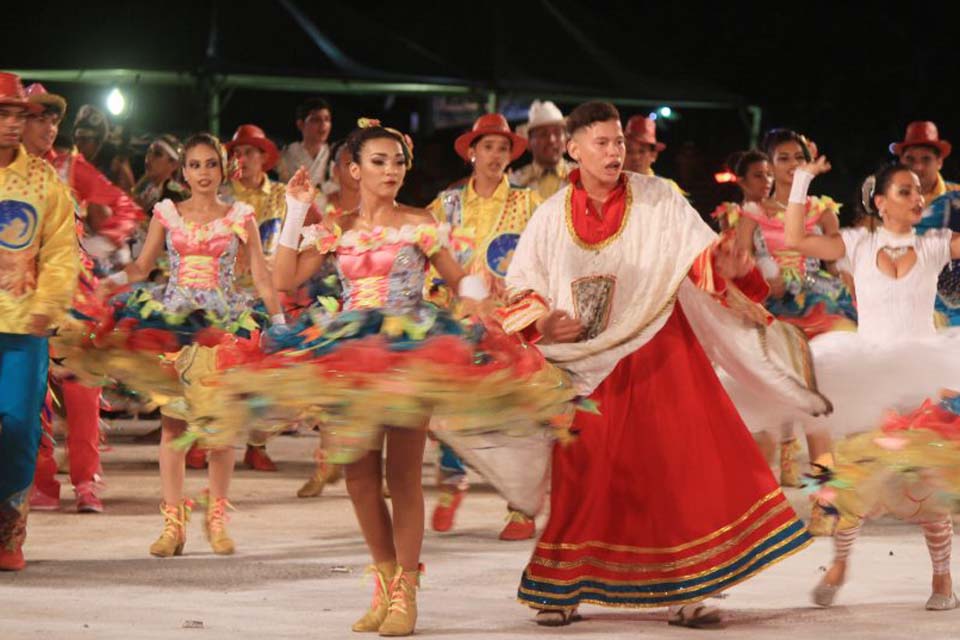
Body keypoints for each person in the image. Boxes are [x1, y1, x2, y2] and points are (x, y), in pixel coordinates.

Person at [234, 120, 573, 636]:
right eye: (378, 161)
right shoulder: (337, 228)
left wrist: (488, 298)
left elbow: (459, 279)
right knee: (358, 478)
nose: (391, 170)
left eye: (397, 161)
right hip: (348, 356)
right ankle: (385, 584)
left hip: (408, 354)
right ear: (353, 169)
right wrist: (296, 208)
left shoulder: (420, 223)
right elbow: (282, 281)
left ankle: (407, 594)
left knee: (403, 477)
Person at [505, 102, 822, 627]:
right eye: (602, 143)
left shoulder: (659, 198)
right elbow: (521, 283)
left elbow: (700, 258)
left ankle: (690, 589)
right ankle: (562, 585)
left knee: (676, 465)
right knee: (583, 471)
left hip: (660, 349)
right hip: (587, 365)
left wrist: (727, 263)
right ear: (573, 148)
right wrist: (542, 324)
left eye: (619, 142)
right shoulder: (548, 214)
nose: (614, 152)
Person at [56, 133, 285, 558]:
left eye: (210, 165)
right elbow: (142, 266)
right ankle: (172, 524)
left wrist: (282, 323)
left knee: (219, 428)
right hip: (174, 325)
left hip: (221, 326)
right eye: (194, 165)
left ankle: (217, 519)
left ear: (223, 170)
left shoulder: (240, 215)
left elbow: (262, 274)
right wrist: (103, 290)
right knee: (173, 427)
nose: (202, 173)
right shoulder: (167, 212)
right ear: (183, 172)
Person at [765, 160, 960, 609]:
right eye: (906, 192)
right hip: (870, 377)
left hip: (920, 376)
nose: (918, 199)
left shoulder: (932, 245)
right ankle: (839, 564)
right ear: (880, 202)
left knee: (926, 481)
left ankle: (942, 581)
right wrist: (801, 179)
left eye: (919, 192)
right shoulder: (856, 242)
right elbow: (795, 240)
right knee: (852, 477)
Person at [21, 83, 145, 513]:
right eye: (39, 118)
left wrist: (96, 244)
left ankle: (86, 482)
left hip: (76, 300)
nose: (50, 127)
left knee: (81, 395)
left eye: (54, 119)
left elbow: (126, 208)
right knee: (29, 399)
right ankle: (38, 483)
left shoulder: (70, 167)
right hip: (22, 298)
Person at [427, 113, 543, 540]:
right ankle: (452, 484)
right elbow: (426, 256)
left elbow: (542, 258)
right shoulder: (446, 204)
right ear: (471, 153)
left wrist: (513, 281)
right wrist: (451, 284)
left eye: (503, 148)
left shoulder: (528, 204)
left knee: (515, 414)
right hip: (459, 317)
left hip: (509, 321)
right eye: (488, 147)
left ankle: (520, 506)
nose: (495, 155)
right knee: (450, 408)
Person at [724, 134, 857, 499]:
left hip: (820, 308)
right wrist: (765, 276)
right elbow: (739, 264)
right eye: (783, 158)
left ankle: (825, 499)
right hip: (773, 311)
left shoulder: (821, 208)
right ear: (770, 165)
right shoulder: (752, 214)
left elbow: (839, 261)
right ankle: (761, 490)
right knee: (774, 396)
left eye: (799, 157)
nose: (792, 164)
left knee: (818, 404)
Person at [0, 71, 79, 570]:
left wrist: (49, 303)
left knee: (18, 426)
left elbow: (59, 251)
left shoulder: (43, 180)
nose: (12, 124)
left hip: (24, 326)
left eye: (16, 115)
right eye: (3, 115)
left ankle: (9, 532)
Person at [219, 123, 286, 472]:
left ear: (264, 158)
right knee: (220, 372)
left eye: (248, 152)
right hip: (224, 296)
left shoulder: (283, 196)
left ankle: (257, 444)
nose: (241, 158)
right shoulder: (219, 196)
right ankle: (210, 439)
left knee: (268, 373)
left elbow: (312, 229)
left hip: (268, 294)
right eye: (236, 152)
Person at [894, 122, 960, 326]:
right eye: (910, 159)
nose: (918, 167)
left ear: (940, 162)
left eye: (926, 159)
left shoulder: (956, 198)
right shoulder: (883, 202)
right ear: (900, 161)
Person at [510, 100, 574, 199]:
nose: (551, 140)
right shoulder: (515, 181)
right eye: (543, 134)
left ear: (566, 142)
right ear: (529, 143)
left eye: (557, 133)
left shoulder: (583, 178)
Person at [277, 97, 333, 188]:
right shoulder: (287, 154)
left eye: (327, 119)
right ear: (300, 124)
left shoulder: (333, 154)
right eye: (316, 120)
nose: (323, 125)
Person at [623, 115, 683, 193]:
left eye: (642, 151)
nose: (635, 157)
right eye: (629, 151)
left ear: (654, 155)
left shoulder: (667, 189)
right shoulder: (608, 187)